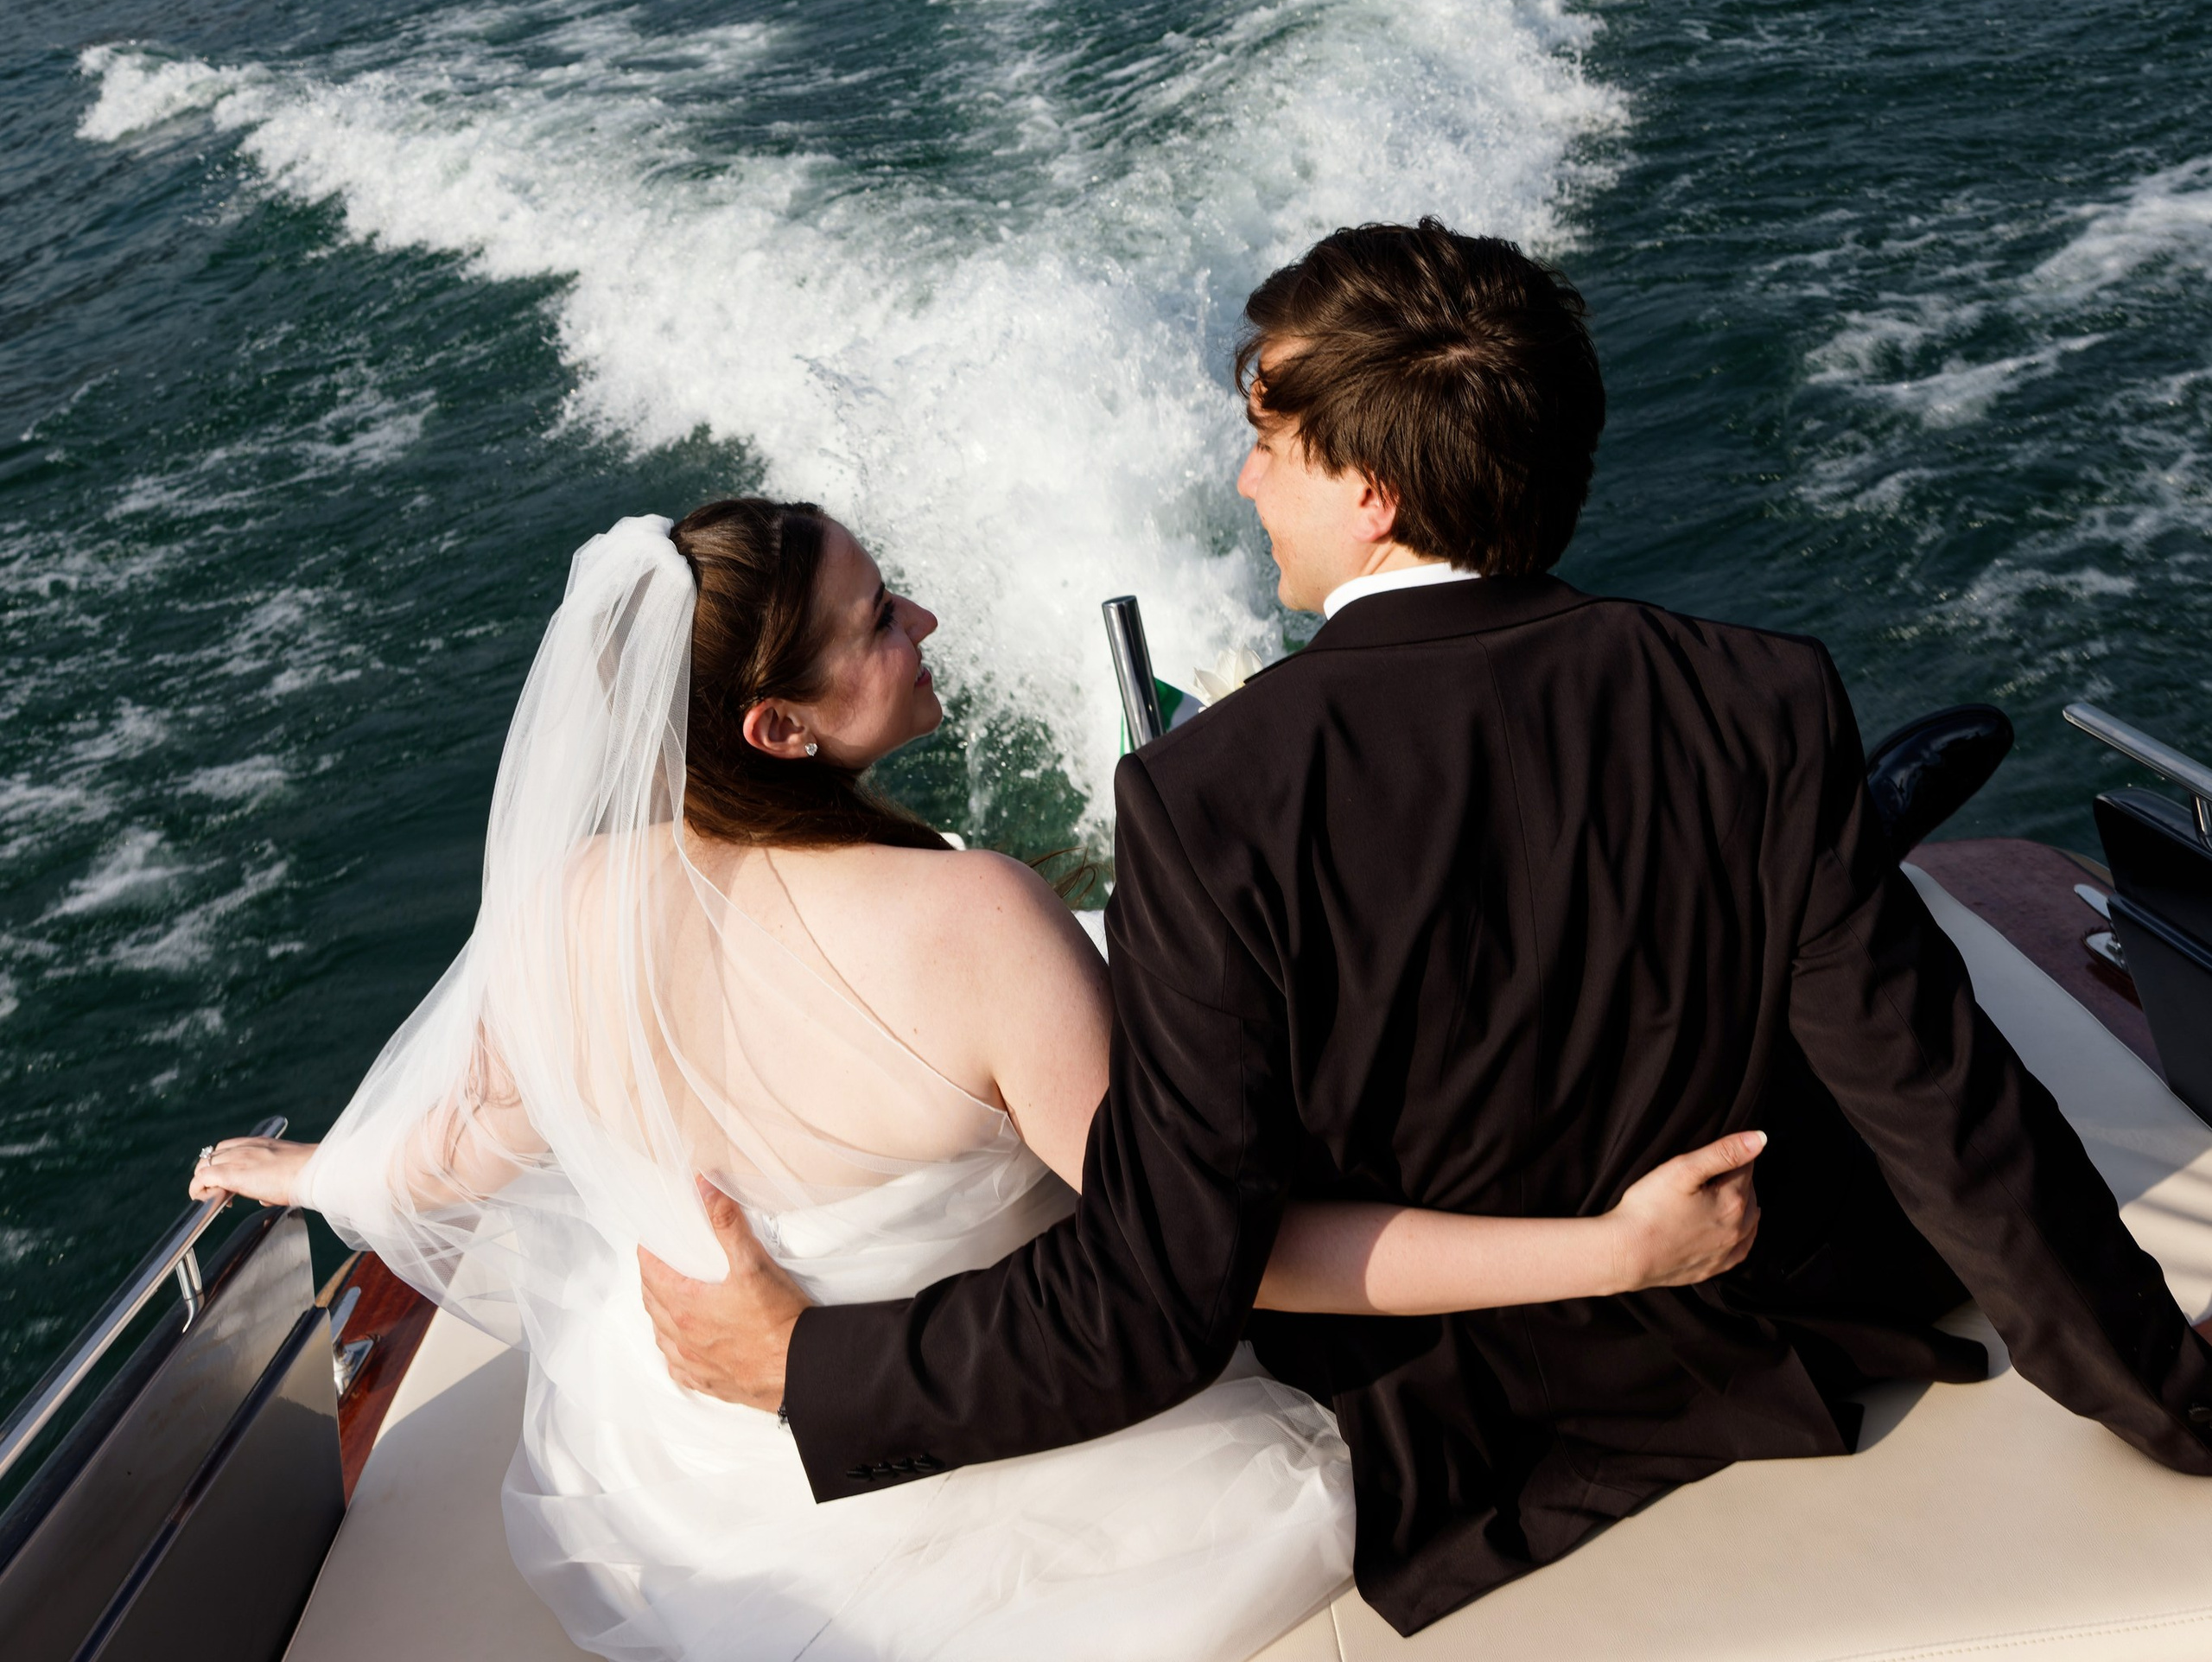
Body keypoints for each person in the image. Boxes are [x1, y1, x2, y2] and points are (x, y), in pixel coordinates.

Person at [642, 221, 2212, 1641]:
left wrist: (815, 1366)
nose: (1246, 478)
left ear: (1371, 491)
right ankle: (1864, 832)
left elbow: (1158, 1293)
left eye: (1269, 440)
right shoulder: (1760, 691)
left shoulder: (1205, 798)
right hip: (1774, 1323)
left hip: (1464, 1427)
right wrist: (2174, 1402)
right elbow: (1950, 1112)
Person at [194, 492, 1761, 1662]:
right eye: (880, 620)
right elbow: (1225, 1248)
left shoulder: (564, 909)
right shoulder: (979, 922)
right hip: (1021, 1491)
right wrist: (1614, 1247)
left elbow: (466, 1139)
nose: (925, 622)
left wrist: (315, 1170)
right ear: (777, 727)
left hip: (689, 1475)